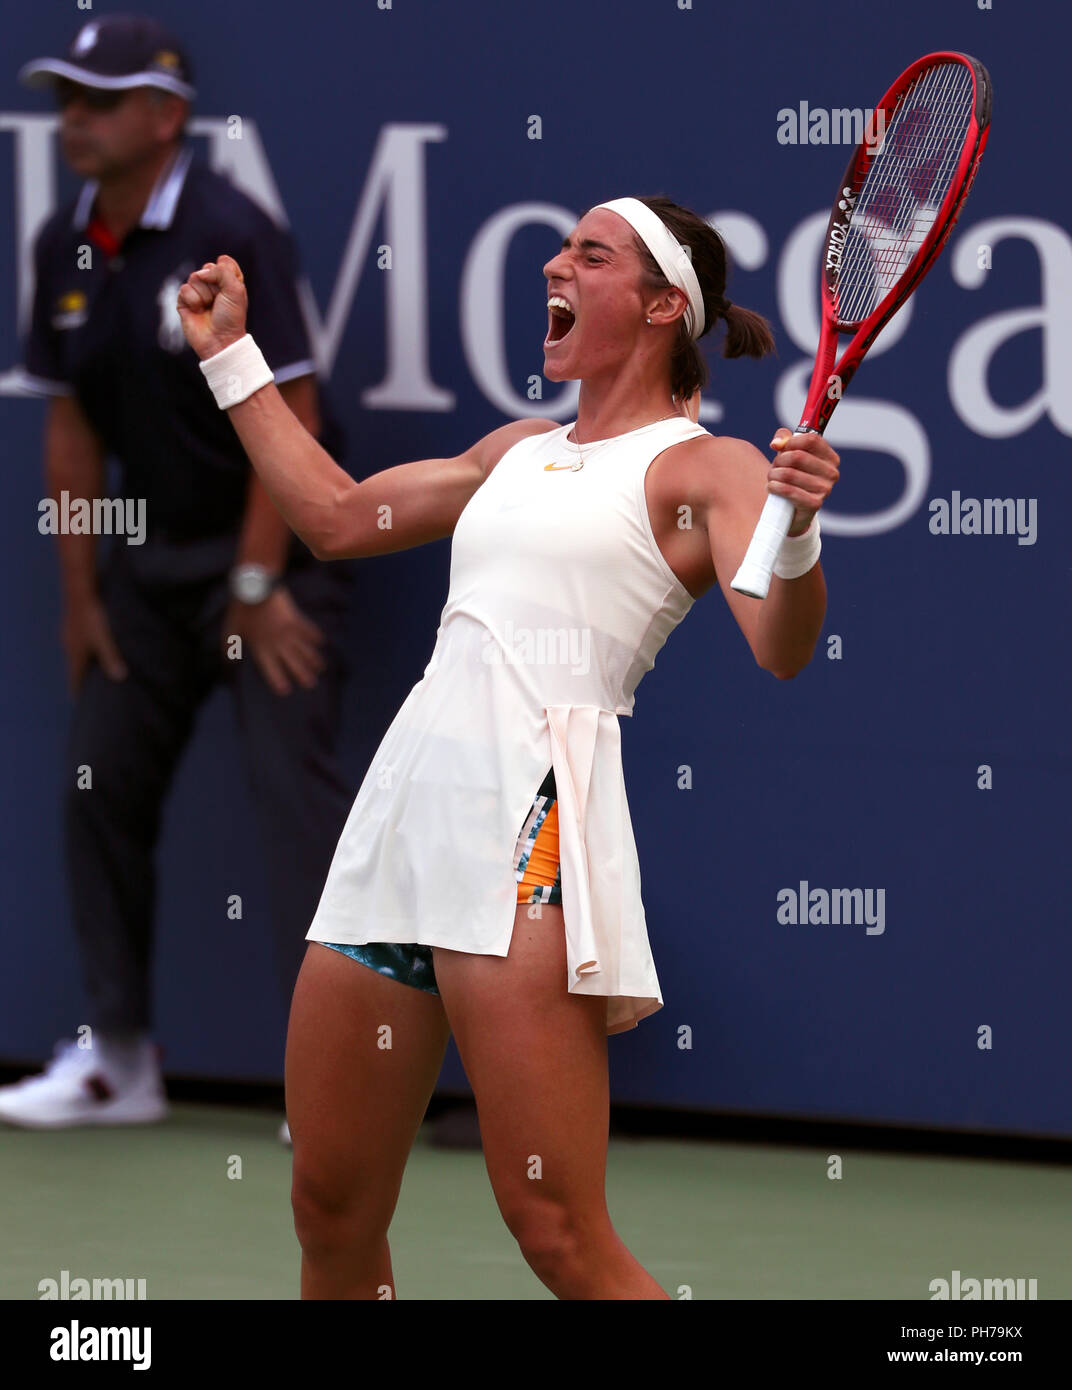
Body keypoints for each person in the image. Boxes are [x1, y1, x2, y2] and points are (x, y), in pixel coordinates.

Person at [175, 193, 840, 1299]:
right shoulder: (518, 450)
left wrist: (802, 526)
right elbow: (338, 517)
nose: (555, 262)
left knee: (554, 1231)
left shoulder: (702, 468)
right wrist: (234, 359)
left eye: (591, 252)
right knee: (330, 1210)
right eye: (560, 245)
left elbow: (778, 643)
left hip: (528, 828)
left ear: (664, 303)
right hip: (401, 821)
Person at [0, 14, 354, 1140]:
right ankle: (118, 1061)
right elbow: (71, 428)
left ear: (165, 117)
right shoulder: (63, 239)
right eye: (67, 101)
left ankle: (332, 1078)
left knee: (294, 811)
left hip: (265, 570)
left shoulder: (228, 232)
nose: (76, 122)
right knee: (92, 792)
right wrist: (82, 597)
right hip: (144, 578)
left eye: (99, 102)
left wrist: (256, 586)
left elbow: (288, 409)